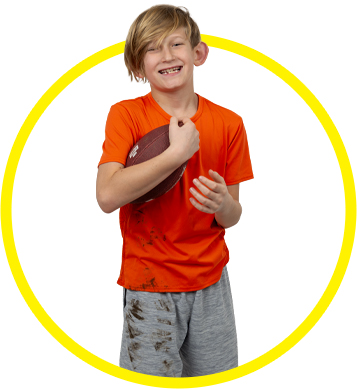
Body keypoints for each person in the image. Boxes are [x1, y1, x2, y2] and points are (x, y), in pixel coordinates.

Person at [96, 4, 254, 377]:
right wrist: (177, 153)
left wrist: (222, 204)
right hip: (149, 284)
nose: (166, 55)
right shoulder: (126, 115)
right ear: (138, 66)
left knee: (215, 379)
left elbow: (233, 215)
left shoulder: (229, 123)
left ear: (198, 53)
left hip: (210, 282)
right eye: (152, 48)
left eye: (176, 44)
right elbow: (107, 195)